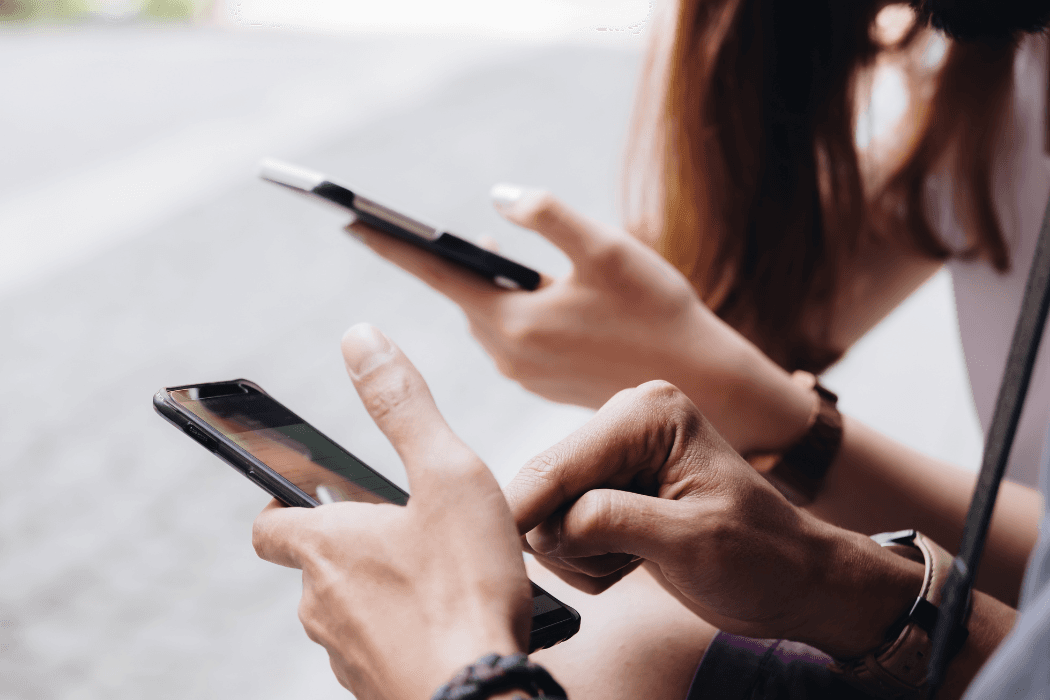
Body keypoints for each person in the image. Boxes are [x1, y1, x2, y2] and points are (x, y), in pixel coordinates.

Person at [250, 1, 1050, 698]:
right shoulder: (992, 73)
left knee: (618, 645)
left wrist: (458, 680)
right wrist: (822, 574)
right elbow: (766, 311)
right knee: (625, 623)